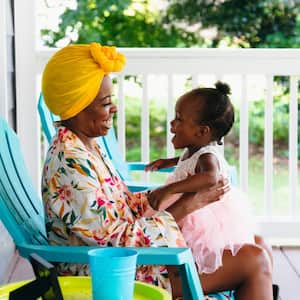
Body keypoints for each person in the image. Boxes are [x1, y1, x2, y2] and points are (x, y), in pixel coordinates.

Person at [41, 42, 273, 300]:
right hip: (108, 273)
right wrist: (189, 203)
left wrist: (163, 193)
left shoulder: (85, 146)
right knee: (255, 260)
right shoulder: (70, 162)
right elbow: (113, 244)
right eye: (106, 103)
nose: (114, 108)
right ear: (77, 106)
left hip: (130, 259)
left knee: (258, 244)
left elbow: (120, 210)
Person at [146, 82, 275, 298]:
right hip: (192, 211)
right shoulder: (196, 150)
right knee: (257, 248)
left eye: (179, 119)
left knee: (209, 246)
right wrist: (167, 162)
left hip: (203, 217)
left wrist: (170, 189)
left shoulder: (207, 157)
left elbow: (210, 176)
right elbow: (186, 161)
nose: (172, 123)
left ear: (202, 131)